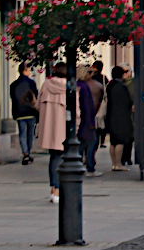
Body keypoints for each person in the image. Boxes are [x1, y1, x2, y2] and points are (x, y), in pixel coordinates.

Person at [37, 63, 74, 203]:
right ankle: (60, 189)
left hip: (49, 128)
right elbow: (75, 109)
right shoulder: (69, 86)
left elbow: (38, 105)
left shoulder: (46, 84)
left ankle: (54, 188)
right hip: (64, 128)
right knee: (65, 158)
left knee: (54, 158)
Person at [105, 65, 134, 171]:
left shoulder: (110, 85)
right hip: (121, 116)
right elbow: (128, 101)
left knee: (113, 141)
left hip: (111, 115)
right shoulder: (122, 87)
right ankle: (118, 164)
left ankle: (114, 164)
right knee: (120, 141)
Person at [10, 64, 39, 165]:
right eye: (29, 70)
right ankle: (29, 152)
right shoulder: (31, 83)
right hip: (31, 112)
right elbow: (36, 97)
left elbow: (13, 99)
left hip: (19, 113)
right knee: (30, 134)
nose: (30, 72)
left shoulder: (13, 85)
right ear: (24, 71)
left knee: (22, 133)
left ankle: (25, 153)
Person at [77, 67, 98, 176]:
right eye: (89, 72)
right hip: (86, 120)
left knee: (82, 142)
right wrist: (91, 122)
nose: (91, 75)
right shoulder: (84, 87)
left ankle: (79, 162)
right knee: (91, 142)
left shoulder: (78, 86)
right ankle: (90, 165)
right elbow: (87, 105)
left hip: (80, 119)